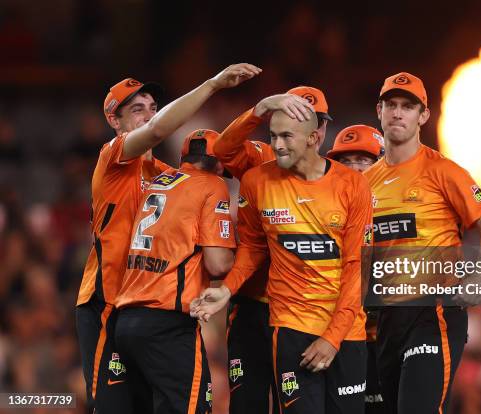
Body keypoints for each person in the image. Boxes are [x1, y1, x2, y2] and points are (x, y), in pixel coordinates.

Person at [75, 63, 261, 413]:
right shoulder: (112, 156)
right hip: (104, 301)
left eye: (151, 108)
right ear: (115, 122)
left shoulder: (166, 177)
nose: (148, 116)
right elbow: (161, 129)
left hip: (139, 306)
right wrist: (213, 84)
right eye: (135, 110)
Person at [195, 102, 373, 414]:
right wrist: (226, 289)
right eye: (273, 135)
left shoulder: (353, 185)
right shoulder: (256, 182)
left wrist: (332, 338)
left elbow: (357, 266)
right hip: (289, 327)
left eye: (287, 136)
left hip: (345, 331)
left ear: (313, 138)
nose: (277, 145)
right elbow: (253, 248)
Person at [363, 72, 481, 413]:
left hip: (434, 309)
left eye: (408, 107)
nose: (398, 113)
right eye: (392, 105)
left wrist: (479, 281)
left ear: (423, 116)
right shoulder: (363, 183)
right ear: (379, 111)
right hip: (384, 318)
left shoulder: (444, 171)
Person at [212, 86, 329, 414]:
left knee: (291, 405)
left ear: (320, 131)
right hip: (251, 306)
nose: (311, 130)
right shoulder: (261, 157)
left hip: (299, 311)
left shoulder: (332, 178)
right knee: (246, 403)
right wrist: (259, 108)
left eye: (316, 122)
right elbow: (223, 148)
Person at [114, 129, 236, 414]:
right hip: (167, 325)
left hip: (126, 323)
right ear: (219, 163)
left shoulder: (159, 181)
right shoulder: (212, 184)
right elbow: (217, 263)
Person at [326, 125, 385, 414]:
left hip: (390, 335)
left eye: (363, 160)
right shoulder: (327, 208)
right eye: (345, 161)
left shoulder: (397, 205)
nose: (353, 168)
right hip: (340, 333)